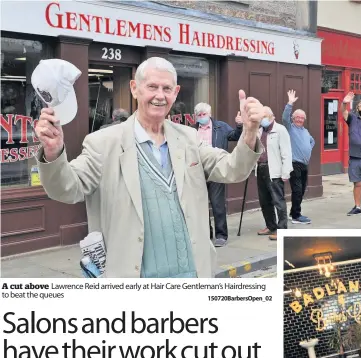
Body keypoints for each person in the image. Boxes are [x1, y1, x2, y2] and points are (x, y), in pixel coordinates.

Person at [35, 57, 264, 278]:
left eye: (167, 88)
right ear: (135, 88)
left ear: (175, 93)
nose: (159, 95)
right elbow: (66, 188)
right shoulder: (102, 143)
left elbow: (232, 169)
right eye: (152, 86)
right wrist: (53, 154)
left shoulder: (190, 138)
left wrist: (250, 132)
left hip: (193, 276)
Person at [194, 102, 243, 247]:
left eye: (204, 114)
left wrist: (239, 126)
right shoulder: (192, 131)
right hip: (198, 171)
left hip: (216, 169)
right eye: (199, 115)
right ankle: (206, 234)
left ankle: (221, 235)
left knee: (217, 203)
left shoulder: (220, 127)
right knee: (201, 205)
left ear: (209, 114)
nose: (202, 117)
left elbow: (235, 136)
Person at [256, 107, 292, 241]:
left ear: (272, 116)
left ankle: (282, 229)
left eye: (265, 116)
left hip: (275, 170)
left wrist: (286, 172)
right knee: (264, 200)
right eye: (261, 117)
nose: (263, 119)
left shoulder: (280, 130)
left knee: (278, 200)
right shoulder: (259, 131)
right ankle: (270, 225)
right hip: (261, 168)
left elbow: (286, 153)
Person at [282, 90, 315, 225]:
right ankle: (296, 216)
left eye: (302, 118)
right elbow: (284, 118)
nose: (300, 119)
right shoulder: (289, 128)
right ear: (293, 118)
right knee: (297, 190)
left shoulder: (305, 131)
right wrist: (290, 103)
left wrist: (308, 150)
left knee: (301, 190)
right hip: (294, 163)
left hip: (304, 164)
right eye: (298, 117)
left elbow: (312, 141)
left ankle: (293, 213)